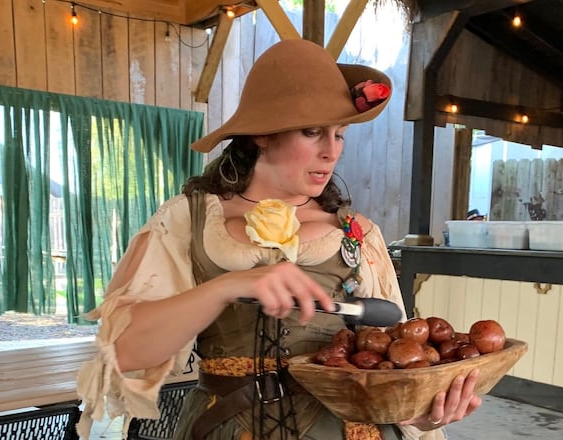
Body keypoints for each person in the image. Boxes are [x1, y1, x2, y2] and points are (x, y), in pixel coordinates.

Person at [76, 39, 482, 440]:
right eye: (312, 132)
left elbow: (393, 365)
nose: (331, 152)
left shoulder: (358, 234)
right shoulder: (189, 221)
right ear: (263, 134)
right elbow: (126, 351)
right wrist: (227, 286)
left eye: (339, 134)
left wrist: (425, 414)